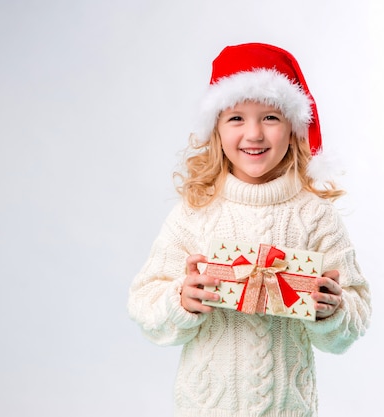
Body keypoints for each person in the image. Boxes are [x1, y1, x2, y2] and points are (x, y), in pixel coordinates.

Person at [128, 42, 371, 417]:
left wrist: (334, 310)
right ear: (216, 129)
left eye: (271, 118)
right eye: (236, 118)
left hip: (288, 408)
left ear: (293, 128)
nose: (254, 134)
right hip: (204, 407)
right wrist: (181, 300)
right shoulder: (195, 212)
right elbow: (144, 302)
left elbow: (355, 317)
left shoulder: (316, 217)